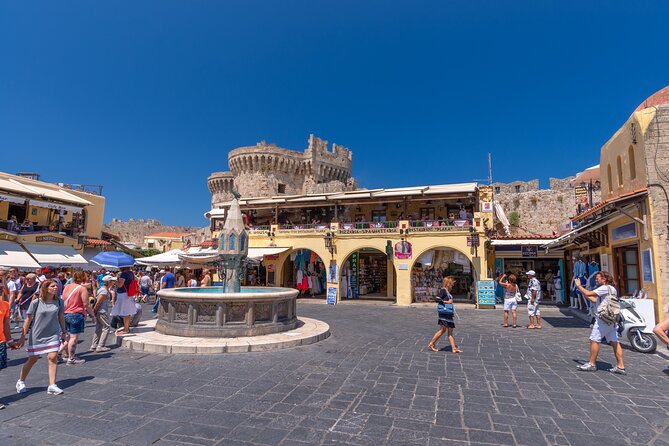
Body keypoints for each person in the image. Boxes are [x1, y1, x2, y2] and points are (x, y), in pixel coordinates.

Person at [15, 280, 68, 395]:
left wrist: (64, 332)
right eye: (52, 286)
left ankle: (52, 385)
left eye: (56, 286)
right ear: (46, 288)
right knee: (33, 359)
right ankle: (21, 381)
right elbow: (28, 319)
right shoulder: (36, 302)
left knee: (52, 357)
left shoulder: (59, 302)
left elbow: (61, 317)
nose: (55, 288)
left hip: (53, 334)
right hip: (37, 335)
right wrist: (22, 336)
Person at [575, 271, 626, 374]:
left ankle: (592, 364)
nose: (596, 279)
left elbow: (589, 293)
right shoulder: (612, 289)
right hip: (611, 319)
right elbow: (594, 300)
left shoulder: (604, 288)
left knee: (594, 339)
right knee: (614, 341)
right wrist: (583, 292)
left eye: (598, 278)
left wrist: (579, 286)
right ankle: (620, 366)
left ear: (604, 279)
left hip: (603, 319)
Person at [61, 271, 95, 365]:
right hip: (76, 314)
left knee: (66, 337)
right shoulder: (82, 288)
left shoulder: (66, 287)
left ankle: (59, 354)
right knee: (73, 338)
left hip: (65, 313)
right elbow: (86, 304)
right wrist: (92, 315)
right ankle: (71, 358)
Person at [427, 276, 462, 353]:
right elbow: (437, 299)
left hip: (448, 313)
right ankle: (432, 343)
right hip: (444, 313)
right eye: (451, 283)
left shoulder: (447, 291)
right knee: (443, 330)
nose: (452, 285)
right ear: (447, 283)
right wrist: (447, 302)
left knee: (449, 331)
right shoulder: (443, 290)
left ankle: (454, 348)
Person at [90, 275, 115, 352]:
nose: (113, 282)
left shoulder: (103, 289)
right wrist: (94, 311)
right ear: (109, 282)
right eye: (112, 281)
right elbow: (98, 302)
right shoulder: (104, 291)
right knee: (106, 327)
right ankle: (100, 345)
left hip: (100, 311)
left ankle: (94, 345)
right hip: (102, 311)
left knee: (99, 327)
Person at [111, 266, 137, 334]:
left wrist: (114, 281)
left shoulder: (124, 274)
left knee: (125, 312)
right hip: (128, 293)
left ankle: (126, 329)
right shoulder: (131, 273)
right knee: (127, 312)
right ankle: (126, 327)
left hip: (123, 294)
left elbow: (120, 285)